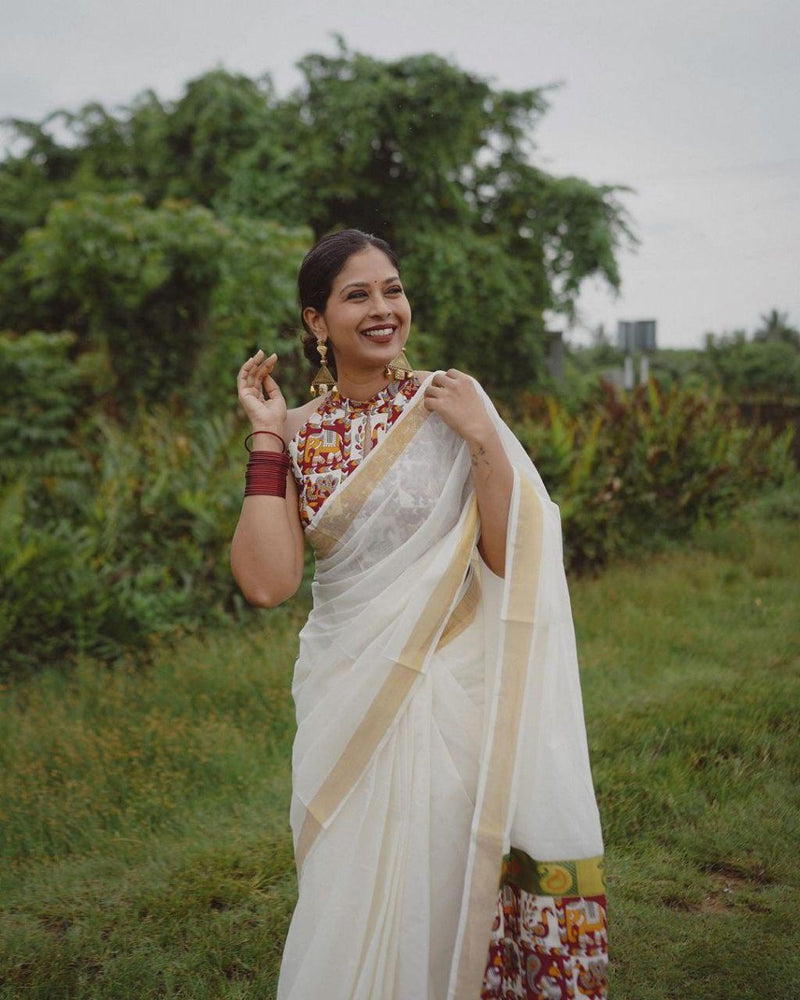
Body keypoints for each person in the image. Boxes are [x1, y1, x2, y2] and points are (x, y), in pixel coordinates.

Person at [230, 230, 607, 1000]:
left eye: (393, 289)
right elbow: (268, 583)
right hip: (349, 693)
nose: (383, 308)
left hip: (454, 693)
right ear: (316, 322)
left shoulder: (451, 400)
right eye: (357, 295)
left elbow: (509, 559)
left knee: (444, 886)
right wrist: (266, 434)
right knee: (349, 886)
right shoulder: (295, 431)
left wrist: (481, 443)